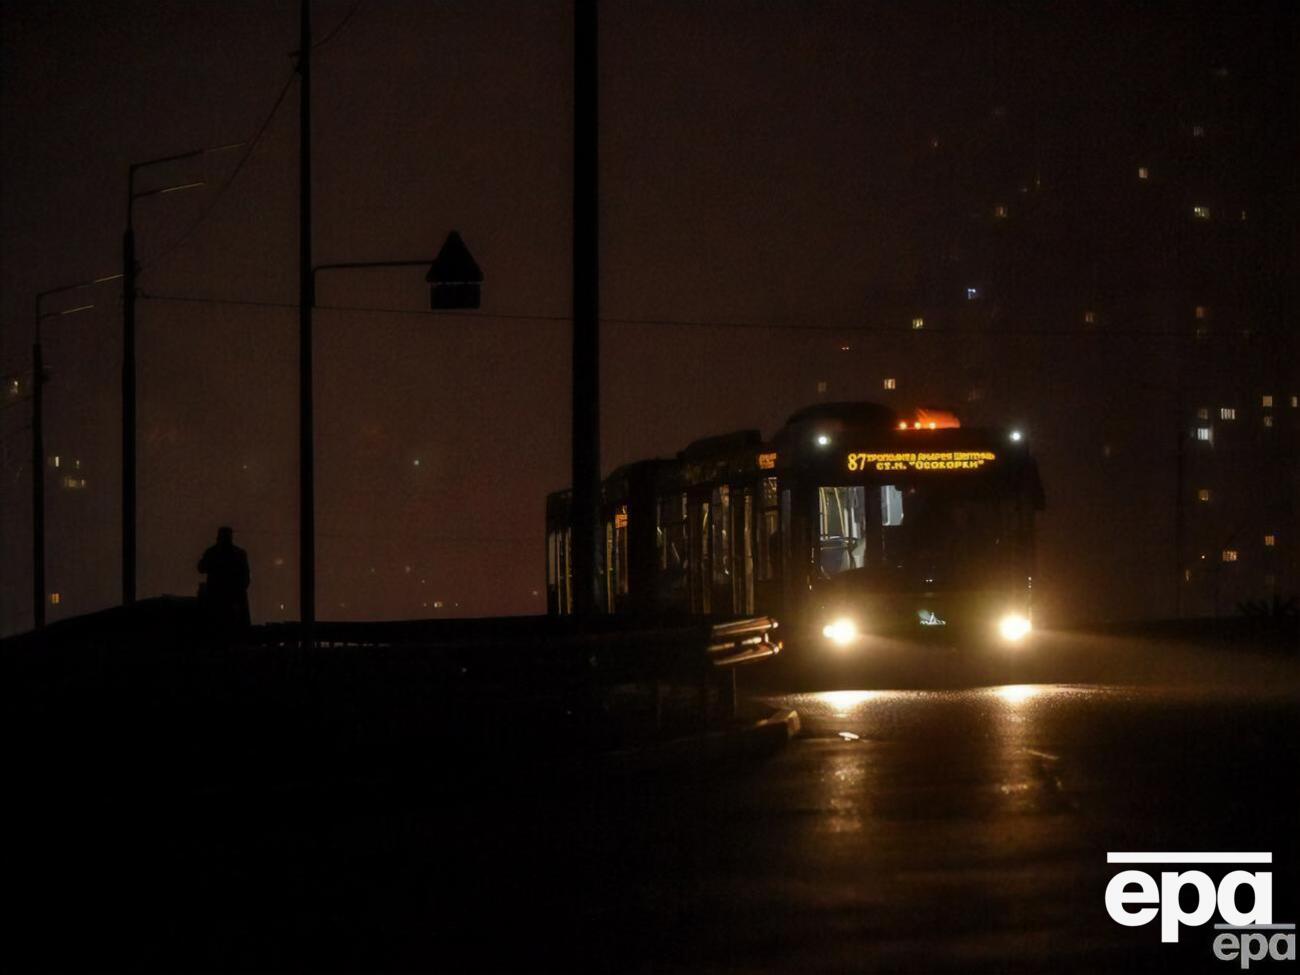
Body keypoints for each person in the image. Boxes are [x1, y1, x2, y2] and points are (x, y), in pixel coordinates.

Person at [197, 526, 251, 630]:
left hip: (218, 597)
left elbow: (201, 568)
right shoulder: (239, 553)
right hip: (231, 597)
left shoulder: (213, 552)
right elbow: (246, 577)